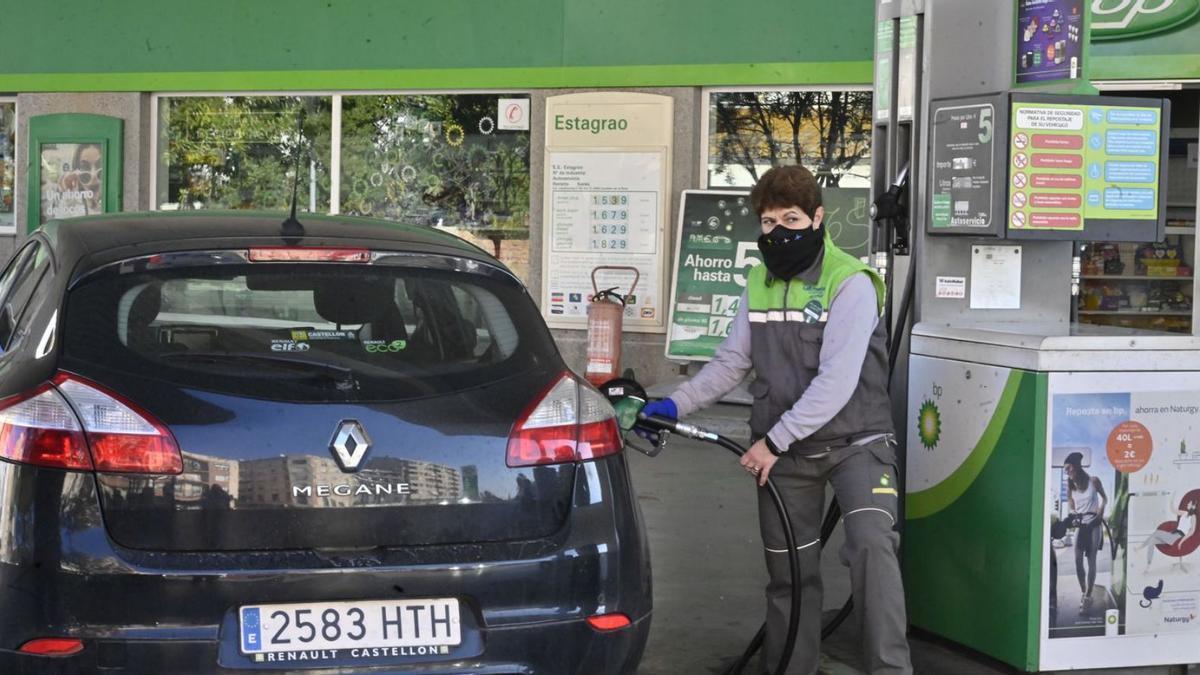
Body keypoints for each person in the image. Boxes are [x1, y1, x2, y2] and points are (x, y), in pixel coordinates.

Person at [642, 165, 911, 674]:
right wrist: (675, 404)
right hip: (787, 455)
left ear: (817, 217)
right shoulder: (759, 283)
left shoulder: (849, 282)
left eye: (790, 218)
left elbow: (836, 381)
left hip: (857, 443)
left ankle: (891, 670)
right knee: (790, 573)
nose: (779, 231)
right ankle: (792, 667)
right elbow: (730, 363)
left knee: (873, 550)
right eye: (768, 222)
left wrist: (774, 442)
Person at [1063, 452, 1107, 612]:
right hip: (1080, 526)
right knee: (1077, 560)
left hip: (1094, 526)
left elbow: (1105, 498)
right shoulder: (1070, 485)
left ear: (1076, 467)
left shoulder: (1093, 481)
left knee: (1091, 560)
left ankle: (1088, 597)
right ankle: (1084, 591)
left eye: (1068, 468)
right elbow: (1070, 501)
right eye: (1065, 469)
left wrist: (1100, 514)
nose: (1066, 472)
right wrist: (1073, 511)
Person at [1136, 498, 1197, 571]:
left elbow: (1192, 531)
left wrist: (1181, 541)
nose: (1187, 504)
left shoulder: (1193, 517)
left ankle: (1139, 548)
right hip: (1172, 534)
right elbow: (1173, 510)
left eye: (1189, 503)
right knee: (1152, 541)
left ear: (1193, 506)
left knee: (1157, 532)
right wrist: (1171, 500)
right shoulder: (1184, 513)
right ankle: (1148, 567)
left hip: (1178, 537)